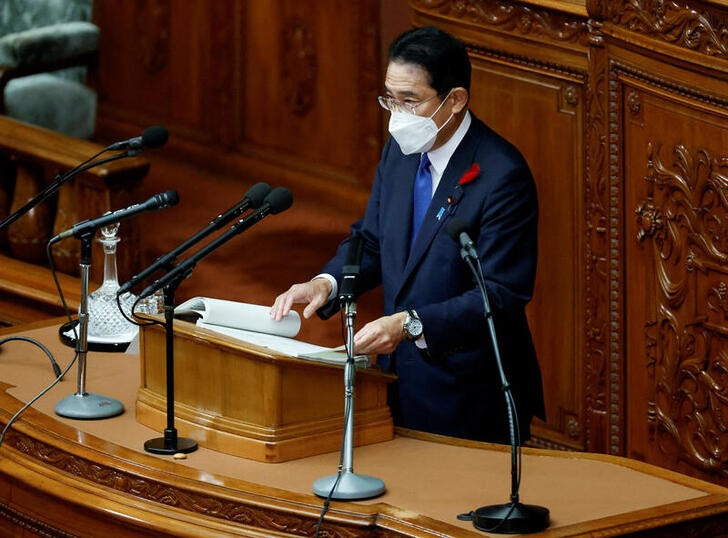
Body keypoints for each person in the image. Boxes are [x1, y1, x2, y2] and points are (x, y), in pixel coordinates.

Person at [271, 26, 545, 444]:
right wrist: (324, 283)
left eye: (410, 101)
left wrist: (410, 323)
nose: (397, 116)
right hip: (399, 379)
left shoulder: (502, 175)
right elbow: (374, 241)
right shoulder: (400, 152)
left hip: (470, 391)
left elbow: (500, 294)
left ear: (455, 100)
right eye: (389, 100)